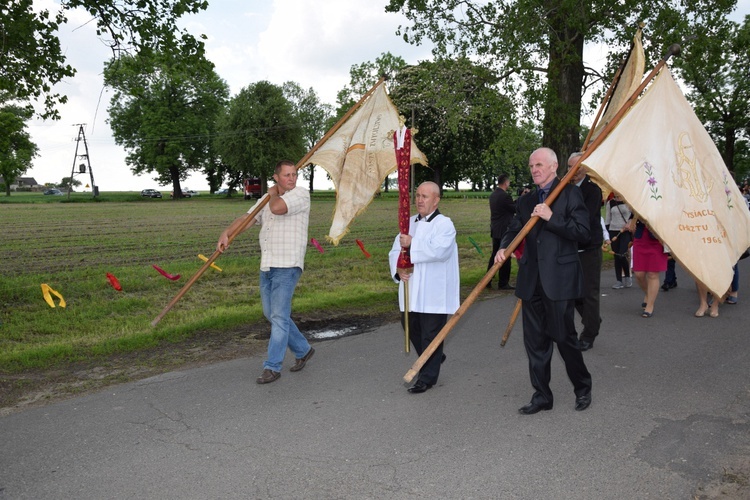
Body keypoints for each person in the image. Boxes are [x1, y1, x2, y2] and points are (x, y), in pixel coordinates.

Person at [495, 147, 592, 414]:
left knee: (564, 337)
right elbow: (514, 229)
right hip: (531, 279)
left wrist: (552, 218)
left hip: (559, 279)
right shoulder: (526, 201)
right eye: (531, 166)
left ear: (553, 167)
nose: (534, 169)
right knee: (535, 342)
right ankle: (542, 395)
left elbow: (583, 232)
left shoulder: (570, 193)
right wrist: (504, 247)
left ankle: (583, 387)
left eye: (539, 165)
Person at [217, 160, 314, 384]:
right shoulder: (267, 199)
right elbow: (248, 219)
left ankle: (272, 367)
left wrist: (271, 194)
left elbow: (278, 208)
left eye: (294, 174)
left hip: (288, 265)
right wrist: (227, 233)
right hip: (268, 265)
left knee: (279, 317)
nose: (292, 178)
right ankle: (303, 349)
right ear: (276, 177)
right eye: (287, 175)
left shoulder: (300, 194)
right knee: (271, 314)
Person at [389, 181, 460, 394]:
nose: (419, 200)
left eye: (425, 196)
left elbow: (439, 251)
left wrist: (412, 244)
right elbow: (394, 250)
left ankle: (426, 378)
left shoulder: (445, 224)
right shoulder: (408, 223)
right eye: (418, 195)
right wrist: (398, 269)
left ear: (436, 200)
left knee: (431, 333)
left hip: (433, 291)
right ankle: (434, 356)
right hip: (412, 288)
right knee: (411, 327)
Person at [567, 153, 603, 351]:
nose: (571, 171)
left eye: (575, 167)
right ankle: (593, 319)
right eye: (569, 167)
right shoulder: (566, 188)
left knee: (589, 292)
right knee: (573, 294)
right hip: (571, 249)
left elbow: (585, 221)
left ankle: (589, 334)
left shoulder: (593, 190)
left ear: (584, 169)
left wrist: (562, 223)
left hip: (589, 248)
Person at [624, 217, 668, 318]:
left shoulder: (665, 202)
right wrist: (631, 221)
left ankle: (650, 305)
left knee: (653, 273)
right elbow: (633, 214)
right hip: (640, 237)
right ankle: (649, 294)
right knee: (639, 274)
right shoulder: (641, 201)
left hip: (658, 238)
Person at [487, 173, 516, 290]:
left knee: (494, 254)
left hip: (495, 228)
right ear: (506, 182)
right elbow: (514, 208)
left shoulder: (493, 195)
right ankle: (503, 282)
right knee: (505, 256)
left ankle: (488, 279)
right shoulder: (505, 196)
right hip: (504, 229)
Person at [604, 193, 633, 289]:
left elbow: (633, 216)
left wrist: (629, 224)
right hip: (613, 230)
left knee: (622, 254)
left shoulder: (628, 200)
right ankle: (619, 280)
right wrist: (607, 234)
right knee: (616, 255)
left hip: (625, 231)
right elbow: (608, 218)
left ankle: (627, 276)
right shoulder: (610, 203)